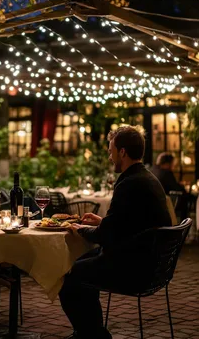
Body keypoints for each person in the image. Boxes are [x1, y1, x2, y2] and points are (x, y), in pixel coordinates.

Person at [59, 126, 172, 339]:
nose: (110, 157)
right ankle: (93, 332)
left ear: (122, 152)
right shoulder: (146, 178)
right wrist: (103, 221)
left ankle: (91, 334)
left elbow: (106, 236)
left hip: (135, 267)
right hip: (151, 261)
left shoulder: (129, 183)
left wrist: (81, 229)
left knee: (69, 274)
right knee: (83, 263)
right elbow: (131, 223)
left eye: (111, 151)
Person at [150, 152, 188, 219]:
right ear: (168, 163)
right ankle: (183, 223)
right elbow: (176, 187)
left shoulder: (152, 170)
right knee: (184, 195)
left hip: (151, 203)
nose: (174, 166)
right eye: (173, 164)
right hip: (163, 204)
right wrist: (183, 187)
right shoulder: (166, 173)